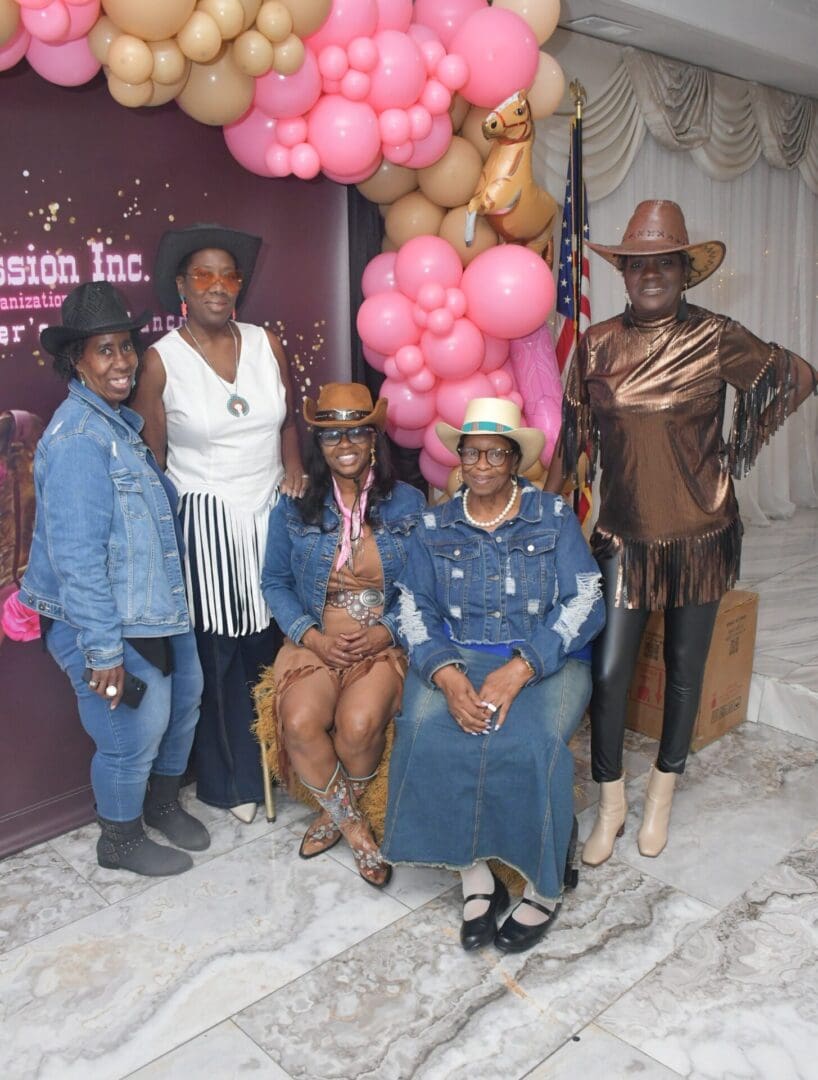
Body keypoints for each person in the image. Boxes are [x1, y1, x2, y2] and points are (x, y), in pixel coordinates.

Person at [547, 200, 818, 865]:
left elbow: (796, 375)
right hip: (625, 538)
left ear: (682, 270)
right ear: (625, 271)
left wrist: (737, 443)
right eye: (638, 263)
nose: (650, 274)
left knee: (685, 673)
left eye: (663, 262)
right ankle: (611, 803)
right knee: (610, 675)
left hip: (700, 536)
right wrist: (557, 494)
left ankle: (662, 794)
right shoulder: (597, 342)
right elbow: (576, 431)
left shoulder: (717, 335)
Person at [382, 398, 605, 953]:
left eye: (495, 454)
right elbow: (411, 605)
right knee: (428, 728)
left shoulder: (551, 515)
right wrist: (445, 673)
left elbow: (586, 599)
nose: (481, 465)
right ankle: (474, 875)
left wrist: (524, 665)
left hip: (547, 658)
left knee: (533, 740)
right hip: (457, 654)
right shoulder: (433, 524)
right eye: (471, 453)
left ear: (515, 461)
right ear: (458, 458)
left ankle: (545, 888)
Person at [20, 282, 209, 876]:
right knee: (132, 735)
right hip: (102, 622)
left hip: (154, 608)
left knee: (183, 706)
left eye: (126, 346)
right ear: (75, 360)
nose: (123, 361)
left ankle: (159, 804)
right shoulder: (78, 440)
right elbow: (76, 561)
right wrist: (102, 650)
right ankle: (119, 840)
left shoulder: (117, 426)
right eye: (105, 350)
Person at [132, 224, 305, 824]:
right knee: (219, 656)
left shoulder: (265, 342)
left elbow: (287, 421)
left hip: (268, 512)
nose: (217, 287)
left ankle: (281, 769)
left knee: (271, 643)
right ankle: (231, 784)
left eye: (228, 276)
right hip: (205, 520)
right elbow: (153, 458)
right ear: (181, 285)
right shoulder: (161, 361)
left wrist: (294, 469)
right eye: (202, 276)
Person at [261, 383, 425, 887]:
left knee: (358, 724)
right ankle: (353, 827)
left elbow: (426, 587)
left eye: (357, 432)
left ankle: (333, 813)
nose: (345, 444)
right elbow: (275, 582)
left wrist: (386, 631)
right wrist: (312, 637)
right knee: (300, 718)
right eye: (332, 435)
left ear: (375, 437)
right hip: (316, 640)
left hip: (381, 643)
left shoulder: (408, 503)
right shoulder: (293, 504)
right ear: (320, 443)